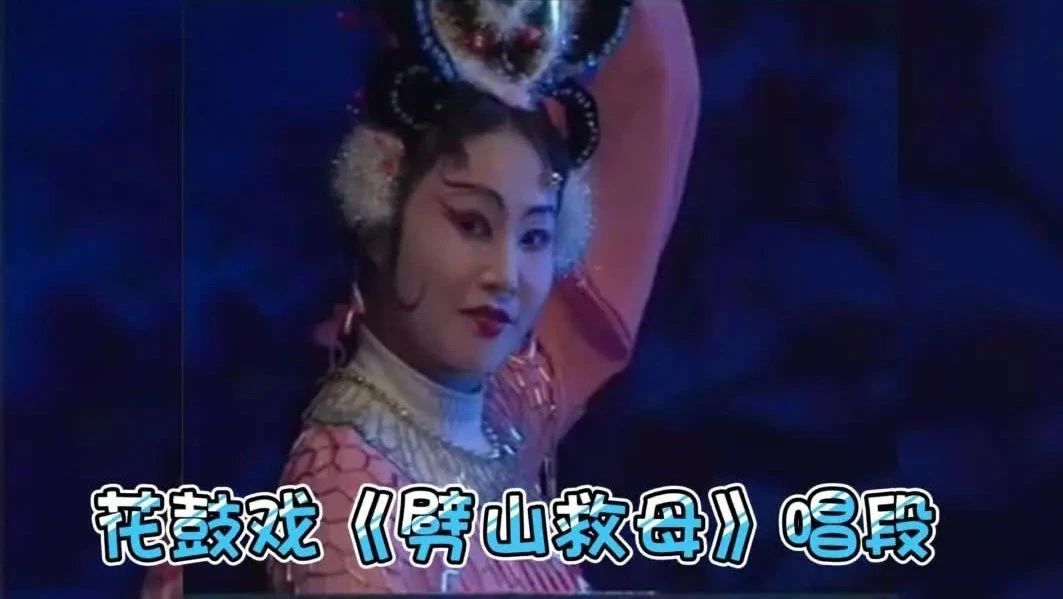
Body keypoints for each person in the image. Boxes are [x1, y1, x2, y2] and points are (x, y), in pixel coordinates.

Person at [142, 0, 697, 595]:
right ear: (382, 212)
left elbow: (653, 103)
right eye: (472, 224)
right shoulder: (347, 506)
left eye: (534, 236)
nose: (506, 275)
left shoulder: (509, 409)